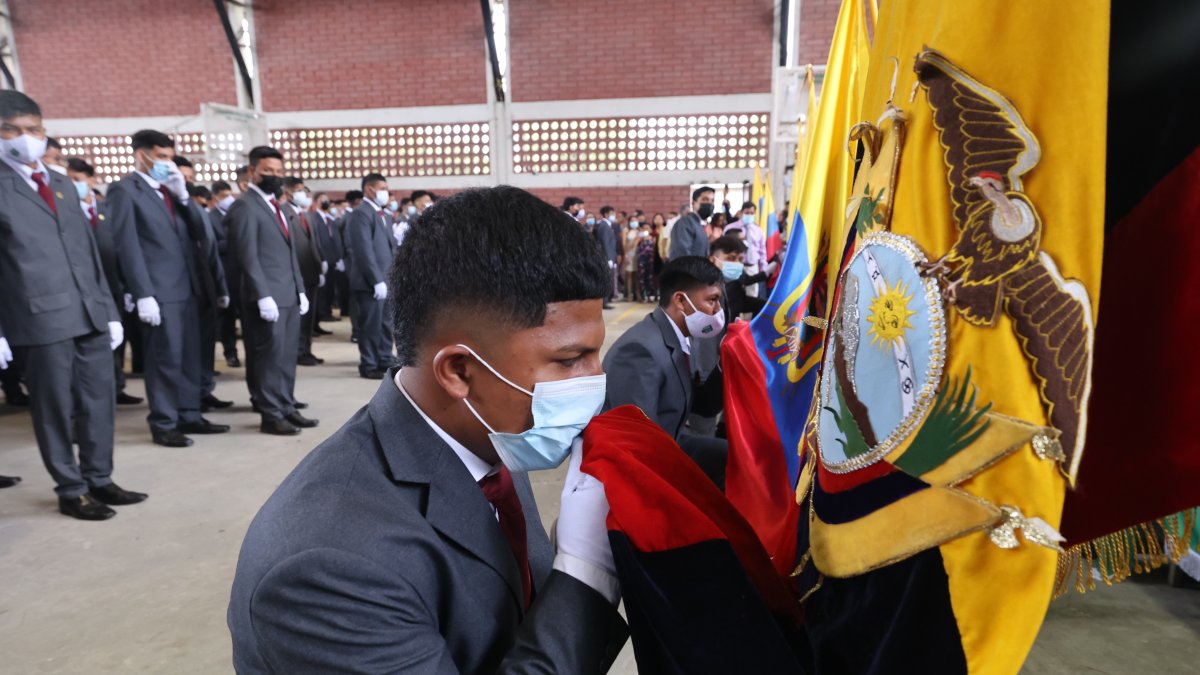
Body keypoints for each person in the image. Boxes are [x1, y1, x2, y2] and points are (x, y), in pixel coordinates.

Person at [228, 185, 627, 673]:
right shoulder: (329, 566)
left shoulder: (490, 434)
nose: (595, 380)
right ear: (459, 371)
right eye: (569, 360)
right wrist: (586, 574)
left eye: (596, 353)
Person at [0, 90, 146, 519]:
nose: (25, 138)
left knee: (98, 400)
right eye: (11, 130)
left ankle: (100, 477)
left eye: (33, 130)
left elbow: (87, 253)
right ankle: (71, 487)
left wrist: (109, 310)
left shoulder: (61, 183)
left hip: (89, 312)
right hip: (39, 317)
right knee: (55, 409)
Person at [107, 130, 229, 447]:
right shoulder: (124, 190)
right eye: (161, 157)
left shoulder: (172, 191)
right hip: (159, 291)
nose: (168, 164)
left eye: (170, 158)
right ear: (142, 155)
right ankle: (163, 422)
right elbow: (126, 245)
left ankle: (189, 414)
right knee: (165, 359)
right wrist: (143, 293)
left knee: (190, 356)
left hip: (188, 287)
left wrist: (184, 197)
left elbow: (201, 232)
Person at [601, 256, 728, 486]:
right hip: (643, 461)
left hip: (671, 441)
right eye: (712, 300)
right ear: (680, 300)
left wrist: (727, 362)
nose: (718, 310)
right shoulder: (640, 350)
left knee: (738, 458)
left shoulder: (684, 337)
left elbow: (702, 406)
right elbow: (639, 442)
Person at [227, 146, 318, 436]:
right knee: (269, 358)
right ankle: (271, 414)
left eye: (278, 171)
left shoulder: (274, 206)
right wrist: (262, 295)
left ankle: (286, 406)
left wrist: (300, 289)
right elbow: (247, 256)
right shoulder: (245, 206)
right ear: (252, 171)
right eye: (268, 171)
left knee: (286, 355)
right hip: (266, 297)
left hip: (288, 294)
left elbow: (290, 253)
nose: (274, 176)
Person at [68, 157, 142, 407]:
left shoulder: (107, 211)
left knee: (116, 341)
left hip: (112, 288)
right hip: (81, 291)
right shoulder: (66, 212)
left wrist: (129, 287)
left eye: (78, 180)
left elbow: (123, 248)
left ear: (91, 180)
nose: (73, 185)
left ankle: (116, 386)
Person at [175, 158, 233, 412]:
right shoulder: (168, 210)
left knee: (205, 346)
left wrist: (220, 288)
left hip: (205, 287)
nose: (186, 182)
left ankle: (204, 389)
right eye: (182, 177)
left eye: (189, 178)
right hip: (180, 290)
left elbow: (210, 252)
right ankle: (189, 401)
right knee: (186, 351)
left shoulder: (195, 209)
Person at [346, 173, 394, 379]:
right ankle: (369, 363)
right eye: (383, 188)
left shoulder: (382, 214)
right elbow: (363, 250)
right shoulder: (361, 214)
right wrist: (376, 280)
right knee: (370, 326)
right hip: (370, 283)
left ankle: (384, 357)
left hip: (386, 278)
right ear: (369, 190)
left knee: (385, 324)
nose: (386, 192)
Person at [282, 177, 325, 367]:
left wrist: (320, 265)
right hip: (296, 273)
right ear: (288, 192)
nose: (304, 194)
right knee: (298, 317)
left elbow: (313, 243)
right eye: (299, 190)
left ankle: (306, 349)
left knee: (309, 317)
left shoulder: (306, 215)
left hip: (311, 271)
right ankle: (298, 351)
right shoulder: (284, 213)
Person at [210, 179, 242, 368]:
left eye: (230, 195)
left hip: (242, 272)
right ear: (215, 198)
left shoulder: (238, 214)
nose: (228, 199)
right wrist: (234, 242)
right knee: (227, 318)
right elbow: (211, 245)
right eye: (224, 196)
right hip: (225, 273)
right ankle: (230, 353)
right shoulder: (211, 218)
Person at [709, 235, 771, 320]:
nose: (737, 263)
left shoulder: (734, 286)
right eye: (731, 258)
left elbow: (741, 302)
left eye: (740, 260)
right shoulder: (704, 289)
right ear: (713, 259)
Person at [312, 193, 342, 329]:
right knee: (321, 291)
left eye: (327, 199)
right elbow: (317, 241)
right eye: (323, 199)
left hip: (331, 259)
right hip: (322, 258)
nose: (326, 202)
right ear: (316, 201)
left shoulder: (328, 218)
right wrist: (321, 258)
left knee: (330, 288)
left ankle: (326, 312)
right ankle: (320, 314)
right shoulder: (314, 217)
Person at [668, 187, 715, 260]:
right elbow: (682, 254)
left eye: (712, 200)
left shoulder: (702, 225)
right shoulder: (685, 223)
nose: (709, 203)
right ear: (693, 203)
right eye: (705, 199)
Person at [594, 206, 618, 308]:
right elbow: (605, 243)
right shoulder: (604, 226)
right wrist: (608, 258)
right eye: (612, 213)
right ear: (606, 214)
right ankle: (604, 302)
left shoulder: (608, 225)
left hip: (610, 256)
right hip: (606, 257)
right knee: (606, 279)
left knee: (608, 279)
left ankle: (606, 300)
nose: (614, 215)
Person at [636, 220, 658, 303]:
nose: (646, 230)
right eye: (644, 228)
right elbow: (634, 245)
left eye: (647, 228)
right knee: (641, 278)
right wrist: (639, 238)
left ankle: (650, 296)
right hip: (641, 260)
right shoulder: (640, 238)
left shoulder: (653, 238)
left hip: (650, 260)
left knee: (650, 278)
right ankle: (642, 295)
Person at [622, 213, 641, 301]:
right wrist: (625, 254)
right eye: (632, 220)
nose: (634, 222)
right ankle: (629, 294)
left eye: (635, 220)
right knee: (629, 274)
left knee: (637, 275)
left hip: (638, 253)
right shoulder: (626, 230)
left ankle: (638, 294)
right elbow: (624, 244)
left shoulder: (639, 231)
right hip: (629, 253)